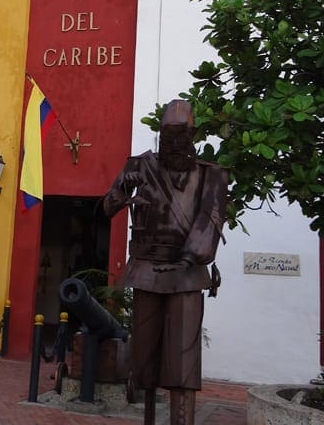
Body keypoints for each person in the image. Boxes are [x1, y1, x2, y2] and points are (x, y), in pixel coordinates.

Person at [102, 99, 228, 425]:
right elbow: (107, 206)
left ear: (193, 134)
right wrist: (123, 190)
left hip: (187, 276)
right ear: (159, 135)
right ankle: (146, 415)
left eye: (180, 136)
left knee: (182, 361)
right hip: (146, 271)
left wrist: (191, 256)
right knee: (143, 357)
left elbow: (210, 218)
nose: (174, 143)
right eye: (168, 136)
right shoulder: (140, 166)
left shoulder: (211, 176)